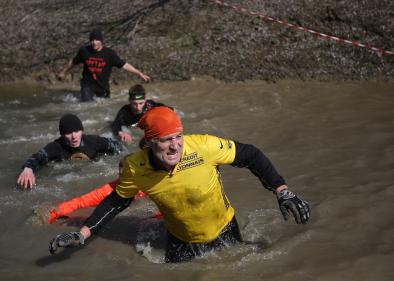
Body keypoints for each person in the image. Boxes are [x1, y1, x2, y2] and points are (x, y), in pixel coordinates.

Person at [48, 107, 310, 262]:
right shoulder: (135, 167)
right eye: (166, 140)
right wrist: (82, 234)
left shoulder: (204, 146)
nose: (175, 145)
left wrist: (282, 191)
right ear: (150, 143)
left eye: (178, 137)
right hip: (180, 241)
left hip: (224, 229)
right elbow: (116, 201)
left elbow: (250, 155)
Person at [17, 113, 123, 189]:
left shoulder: (93, 141)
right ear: (62, 135)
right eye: (68, 133)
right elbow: (38, 157)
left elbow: (117, 146)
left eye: (77, 131)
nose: (74, 137)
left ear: (82, 130)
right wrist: (28, 169)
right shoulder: (57, 147)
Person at [57, 29, 151, 102]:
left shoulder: (109, 54)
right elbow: (73, 62)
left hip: (103, 87)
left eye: (96, 40)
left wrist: (139, 73)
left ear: (101, 41)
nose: (94, 42)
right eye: (92, 40)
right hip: (87, 85)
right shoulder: (84, 51)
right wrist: (63, 72)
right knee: (87, 105)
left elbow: (124, 65)